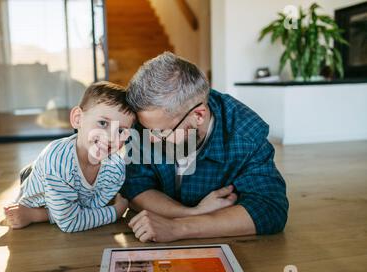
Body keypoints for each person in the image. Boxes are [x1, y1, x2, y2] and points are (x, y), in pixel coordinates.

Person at [121, 52, 289, 243]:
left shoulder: (245, 135)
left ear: (198, 116)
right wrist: (192, 213)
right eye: (145, 129)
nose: (148, 139)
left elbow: (270, 209)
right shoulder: (149, 120)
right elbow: (135, 188)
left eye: (161, 132)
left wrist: (179, 228)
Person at [4, 81, 135, 232]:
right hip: (44, 191)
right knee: (51, 172)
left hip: (71, 195)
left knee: (72, 201)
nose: (110, 137)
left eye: (120, 131)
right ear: (78, 119)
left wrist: (78, 213)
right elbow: (70, 223)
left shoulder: (116, 167)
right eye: (103, 123)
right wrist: (116, 212)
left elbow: (89, 209)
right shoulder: (57, 162)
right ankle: (31, 173)